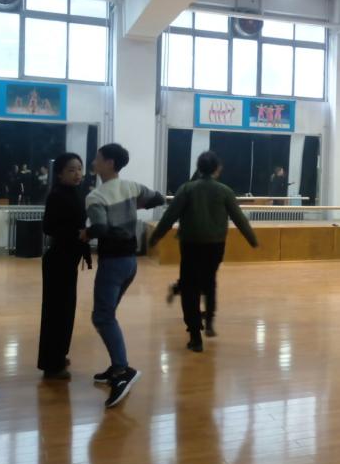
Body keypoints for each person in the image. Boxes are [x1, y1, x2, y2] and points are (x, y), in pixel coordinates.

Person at [149, 152, 258, 352]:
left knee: (189, 287)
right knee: (209, 281)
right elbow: (239, 218)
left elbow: (169, 216)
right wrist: (252, 239)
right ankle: (209, 322)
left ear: (198, 168)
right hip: (215, 245)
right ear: (217, 169)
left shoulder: (186, 189)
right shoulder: (224, 191)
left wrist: (156, 236)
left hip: (190, 244)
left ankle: (195, 336)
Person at [84, 143, 165, 408]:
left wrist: (85, 233)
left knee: (102, 317)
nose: (93, 162)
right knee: (107, 315)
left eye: (97, 158)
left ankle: (122, 371)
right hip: (130, 263)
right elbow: (158, 198)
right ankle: (116, 366)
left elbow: (99, 227)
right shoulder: (132, 187)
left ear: (109, 163)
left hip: (112, 263)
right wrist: (132, 207)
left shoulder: (96, 196)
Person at [37, 153, 92, 380]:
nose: (77, 173)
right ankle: (51, 364)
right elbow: (48, 227)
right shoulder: (57, 195)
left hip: (69, 259)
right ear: (59, 174)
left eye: (79, 168)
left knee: (66, 310)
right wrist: (78, 234)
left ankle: (59, 354)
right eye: (71, 169)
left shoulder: (75, 192)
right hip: (58, 260)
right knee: (56, 313)